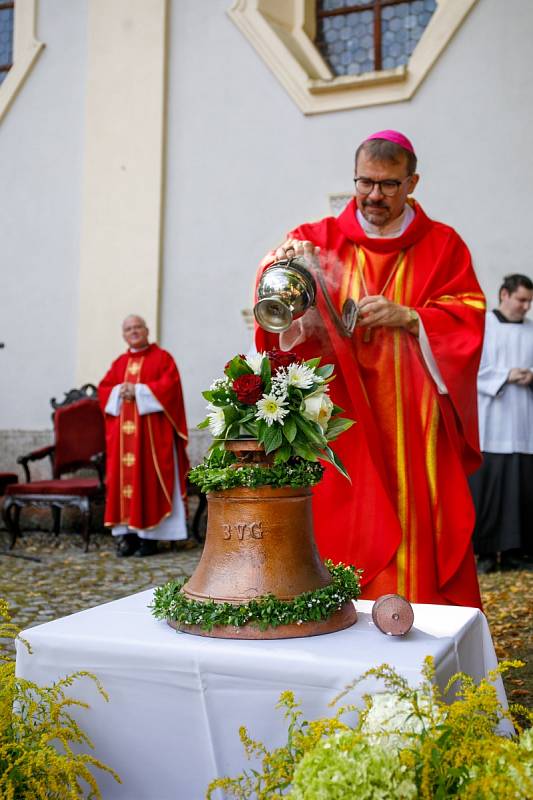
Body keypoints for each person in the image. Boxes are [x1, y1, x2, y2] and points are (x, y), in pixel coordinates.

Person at [255, 130, 486, 608]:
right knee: (346, 520)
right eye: (365, 183)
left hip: (412, 418)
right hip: (344, 417)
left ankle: (420, 626)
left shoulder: (444, 245)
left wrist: (412, 316)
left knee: (416, 518)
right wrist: (292, 269)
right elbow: (273, 295)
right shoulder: (319, 237)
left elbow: (468, 313)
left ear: (412, 182)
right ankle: (340, 626)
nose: (375, 195)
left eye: (388, 185)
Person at [98, 315, 190, 557]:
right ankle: (127, 538)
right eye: (129, 328)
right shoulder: (119, 363)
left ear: (147, 330)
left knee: (148, 482)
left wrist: (138, 390)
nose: (134, 331)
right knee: (123, 485)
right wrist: (120, 390)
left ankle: (150, 539)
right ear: (123, 334)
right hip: (123, 442)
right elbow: (103, 389)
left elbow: (170, 388)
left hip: (151, 439)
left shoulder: (162, 358)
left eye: (138, 327)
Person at [469, 274, 533, 573]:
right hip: (491, 422)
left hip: (522, 423)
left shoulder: (532, 330)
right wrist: (506, 375)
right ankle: (484, 552)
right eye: (521, 300)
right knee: (490, 490)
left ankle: (514, 552)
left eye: (529, 302)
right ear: (504, 294)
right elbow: (469, 366)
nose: (525, 307)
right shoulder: (483, 326)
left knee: (520, 489)